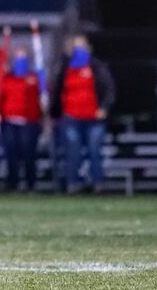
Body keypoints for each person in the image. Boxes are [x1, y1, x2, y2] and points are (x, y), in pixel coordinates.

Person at [51, 34, 116, 194]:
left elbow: (109, 89)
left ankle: (97, 184)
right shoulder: (65, 68)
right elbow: (57, 92)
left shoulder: (97, 67)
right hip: (71, 117)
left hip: (94, 118)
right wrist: (54, 113)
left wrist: (104, 108)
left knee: (95, 151)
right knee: (73, 151)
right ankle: (73, 184)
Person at [0, 47, 42, 192]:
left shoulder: (34, 78)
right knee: (12, 154)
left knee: (29, 154)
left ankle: (31, 184)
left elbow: (42, 96)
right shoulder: (7, 78)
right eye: (18, 57)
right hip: (10, 121)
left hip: (29, 121)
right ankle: (13, 184)